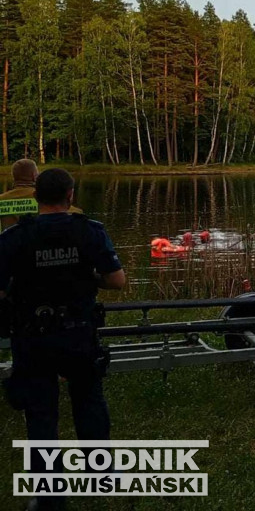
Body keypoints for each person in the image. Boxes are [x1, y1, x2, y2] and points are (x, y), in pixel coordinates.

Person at [0, 169, 126, 507]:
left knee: (40, 412)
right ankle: (101, 475)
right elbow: (116, 281)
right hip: (79, 333)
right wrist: (89, 278)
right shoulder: (90, 231)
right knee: (89, 401)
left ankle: (49, 495)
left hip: (33, 338)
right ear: (70, 195)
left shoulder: (13, 238)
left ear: (35, 197)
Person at [0, 159, 82, 231]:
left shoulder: (1, 200)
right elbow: (69, 213)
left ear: (13, 177)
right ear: (34, 176)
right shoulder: (43, 197)